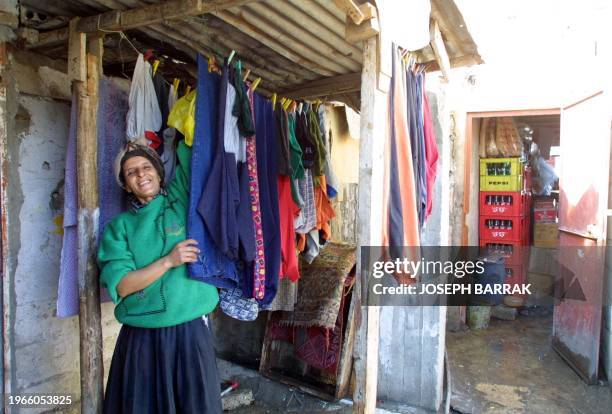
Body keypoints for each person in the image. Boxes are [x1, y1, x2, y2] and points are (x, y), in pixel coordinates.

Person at [98, 137, 222, 413]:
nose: (141, 174)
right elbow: (123, 284)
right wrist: (169, 261)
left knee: (196, 405)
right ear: (125, 184)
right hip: (142, 336)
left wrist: (186, 120)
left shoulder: (181, 205)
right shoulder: (119, 228)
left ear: (158, 171)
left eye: (146, 167)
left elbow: (195, 153)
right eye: (131, 172)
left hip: (190, 330)